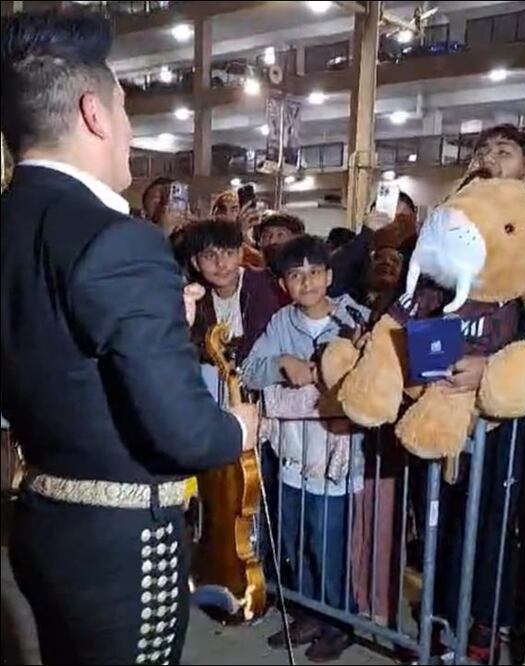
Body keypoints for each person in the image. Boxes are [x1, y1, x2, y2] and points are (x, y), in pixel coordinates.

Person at [0, 10, 257, 665]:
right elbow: (185, 433)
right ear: (93, 113)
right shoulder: (119, 239)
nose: (129, 128)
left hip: (42, 520)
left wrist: (148, 315)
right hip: (119, 540)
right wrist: (238, 428)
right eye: (124, 106)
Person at [240, 235, 368, 662]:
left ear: (329, 275)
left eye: (315, 272)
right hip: (292, 454)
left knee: (329, 539)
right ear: (283, 283)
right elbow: (250, 370)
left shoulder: (355, 317)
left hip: (337, 456)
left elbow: (376, 369)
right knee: (298, 538)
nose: (308, 282)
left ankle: (340, 621)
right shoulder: (280, 324)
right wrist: (281, 363)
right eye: (296, 275)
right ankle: (310, 610)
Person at [184, 218, 288, 369]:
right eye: (210, 256)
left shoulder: (266, 286)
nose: (221, 264)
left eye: (228, 253)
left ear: (240, 254)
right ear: (195, 262)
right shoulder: (192, 298)